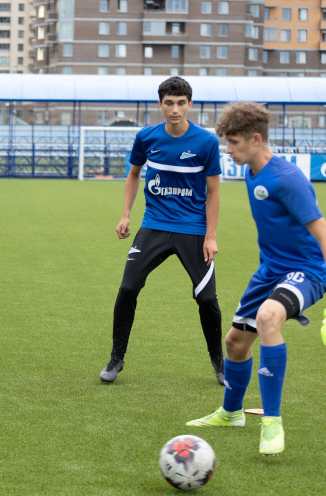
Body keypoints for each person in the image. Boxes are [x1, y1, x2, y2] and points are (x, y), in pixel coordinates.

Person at [186, 101, 326, 456]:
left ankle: (272, 423)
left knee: (268, 318)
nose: (228, 151)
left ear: (255, 138)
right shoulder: (252, 171)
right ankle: (231, 412)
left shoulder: (287, 179)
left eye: (233, 143)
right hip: (269, 272)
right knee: (235, 342)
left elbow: (324, 234)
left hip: (306, 271)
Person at [100, 76, 224, 385]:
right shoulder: (146, 137)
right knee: (128, 288)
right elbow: (133, 175)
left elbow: (214, 192)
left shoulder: (206, 142)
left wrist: (210, 236)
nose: (175, 110)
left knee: (207, 298)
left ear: (190, 105)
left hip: (193, 230)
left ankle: (220, 364)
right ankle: (116, 358)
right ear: (160, 104)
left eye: (181, 103)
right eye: (169, 103)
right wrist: (126, 215)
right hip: (154, 226)